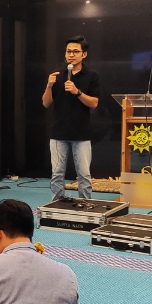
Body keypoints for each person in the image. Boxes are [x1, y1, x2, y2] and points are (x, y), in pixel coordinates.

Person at [42, 35, 100, 200]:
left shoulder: (92, 75)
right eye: (68, 51)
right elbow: (46, 103)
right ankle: (56, 204)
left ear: (84, 54)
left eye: (75, 51)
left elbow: (94, 103)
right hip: (58, 133)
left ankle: (85, 205)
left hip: (81, 134)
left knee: (84, 174)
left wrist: (77, 92)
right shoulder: (57, 75)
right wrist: (49, 85)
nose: (71, 55)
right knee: (57, 173)